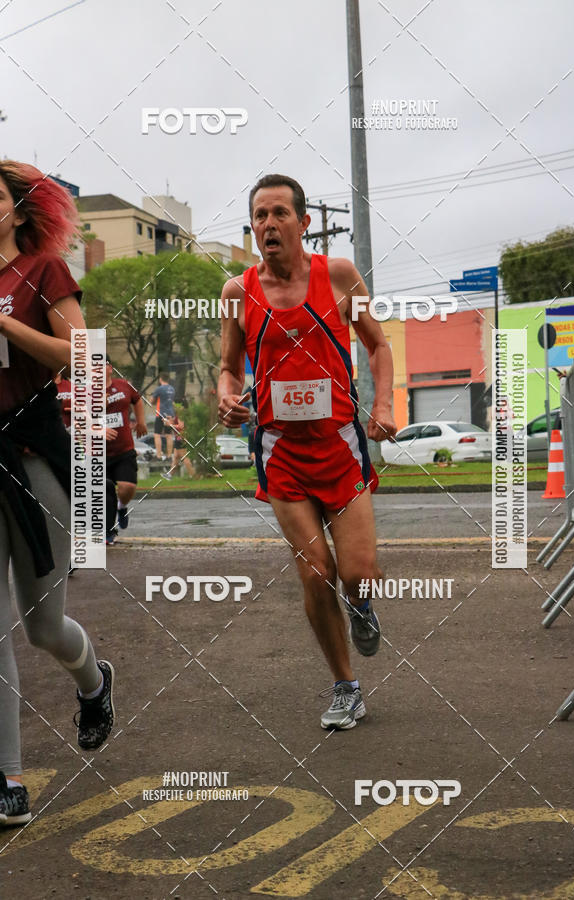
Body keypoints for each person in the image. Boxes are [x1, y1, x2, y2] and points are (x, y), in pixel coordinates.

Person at [218, 174, 396, 730]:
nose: (268, 224)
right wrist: (226, 395)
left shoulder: (339, 276)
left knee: (358, 573)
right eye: (258, 216)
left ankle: (362, 606)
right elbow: (227, 366)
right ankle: (346, 686)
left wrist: (383, 405)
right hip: (280, 452)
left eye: (278, 213)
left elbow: (379, 344)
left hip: (340, 446)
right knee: (316, 572)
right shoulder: (236, 292)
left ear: (304, 222)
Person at [0, 160, 114, 826]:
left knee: (44, 628)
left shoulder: (44, 273)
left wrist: (8, 326)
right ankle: (9, 776)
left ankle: (94, 685)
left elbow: (82, 358)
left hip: (36, 454)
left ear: (18, 210)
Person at [105, 360, 147, 543]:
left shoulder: (123, 385)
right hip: (98, 453)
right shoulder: (85, 391)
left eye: (103, 364)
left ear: (110, 368)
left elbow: (137, 400)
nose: (99, 368)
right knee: (105, 494)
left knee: (127, 488)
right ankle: (108, 530)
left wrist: (141, 422)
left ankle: (122, 507)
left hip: (123, 449)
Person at [151, 372, 176, 460]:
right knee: (169, 435)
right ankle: (169, 456)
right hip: (170, 415)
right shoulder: (172, 389)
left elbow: (152, 401)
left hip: (161, 414)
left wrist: (154, 399)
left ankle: (159, 456)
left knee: (157, 434)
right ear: (168, 379)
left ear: (160, 379)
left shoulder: (159, 389)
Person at [166, 406, 194, 478]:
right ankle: (170, 475)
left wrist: (170, 425)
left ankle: (193, 475)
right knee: (176, 457)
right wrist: (170, 420)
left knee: (184, 457)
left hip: (181, 438)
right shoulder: (177, 416)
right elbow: (176, 424)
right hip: (178, 438)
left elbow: (181, 426)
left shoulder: (180, 415)